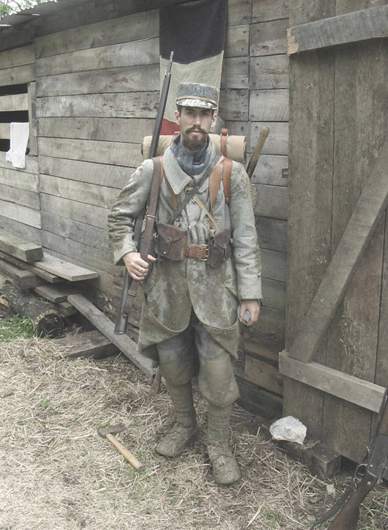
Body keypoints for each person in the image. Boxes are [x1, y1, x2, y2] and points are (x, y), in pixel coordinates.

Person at [108, 82, 262, 485]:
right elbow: (119, 217)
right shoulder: (153, 169)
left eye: (204, 115)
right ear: (179, 118)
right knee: (174, 365)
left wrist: (250, 294)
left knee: (218, 375)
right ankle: (184, 425)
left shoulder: (233, 174)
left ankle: (218, 444)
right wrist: (127, 253)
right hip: (167, 288)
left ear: (213, 120)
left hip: (217, 290)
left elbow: (246, 238)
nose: (196, 122)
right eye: (189, 114)